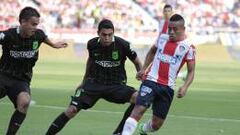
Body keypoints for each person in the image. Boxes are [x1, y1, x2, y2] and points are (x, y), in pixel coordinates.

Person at [45, 19, 142, 135]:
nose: (107, 37)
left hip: (115, 85)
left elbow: (137, 62)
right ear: (98, 33)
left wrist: (142, 77)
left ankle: (118, 133)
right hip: (94, 84)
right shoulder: (92, 44)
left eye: (110, 35)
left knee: (139, 98)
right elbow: (90, 61)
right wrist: (84, 81)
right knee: (71, 110)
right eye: (104, 35)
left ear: (113, 33)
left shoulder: (123, 45)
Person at [122, 14, 196, 135]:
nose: (171, 32)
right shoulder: (162, 38)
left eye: (175, 29)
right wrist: (144, 69)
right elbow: (152, 51)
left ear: (183, 29)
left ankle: (143, 129)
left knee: (156, 125)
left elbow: (191, 71)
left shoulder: (189, 47)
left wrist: (185, 87)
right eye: (169, 28)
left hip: (167, 87)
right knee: (138, 110)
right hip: (150, 80)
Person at [0, 6, 68, 135]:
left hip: (22, 79)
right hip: (3, 75)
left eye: (37, 24)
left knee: (25, 102)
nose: (35, 27)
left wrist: (54, 45)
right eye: (33, 24)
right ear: (23, 22)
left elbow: (44, 39)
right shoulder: (9, 35)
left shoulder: (38, 35)